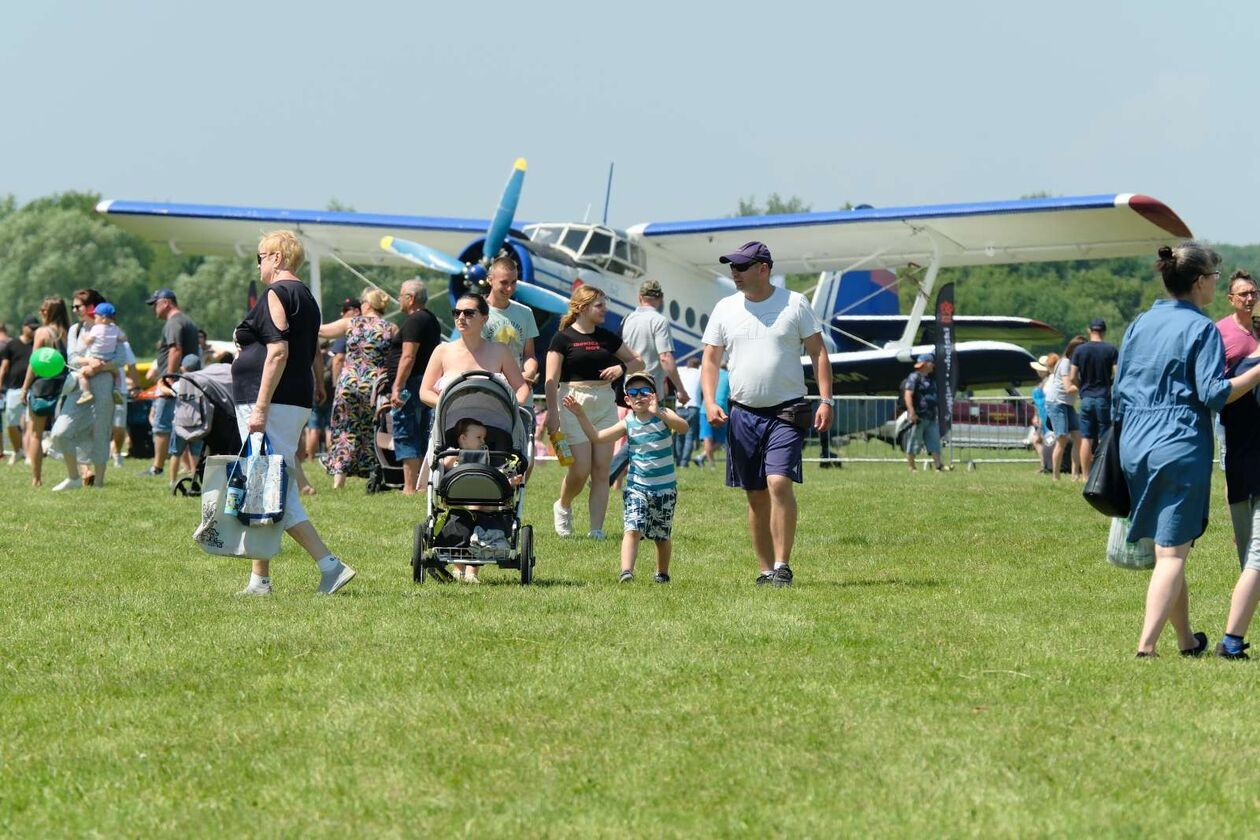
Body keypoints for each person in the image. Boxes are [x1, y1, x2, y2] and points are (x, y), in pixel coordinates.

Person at [1113, 243, 1260, 657]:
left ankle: (1185, 640)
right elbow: (1214, 394)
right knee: (1172, 552)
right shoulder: (1202, 328)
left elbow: (1118, 389)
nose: (1216, 282)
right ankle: (1146, 647)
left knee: (1169, 547)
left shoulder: (1140, 322)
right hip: (1177, 441)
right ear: (1199, 282)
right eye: (1215, 277)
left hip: (1134, 442)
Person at [701, 241, 833, 587]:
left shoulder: (795, 303)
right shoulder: (725, 308)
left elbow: (818, 352)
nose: (735, 273)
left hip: (787, 409)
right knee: (755, 494)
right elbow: (711, 359)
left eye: (741, 267)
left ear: (763, 268)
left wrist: (826, 400)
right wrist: (710, 401)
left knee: (778, 482)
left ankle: (783, 565)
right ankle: (764, 570)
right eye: (732, 267)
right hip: (743, 412)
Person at [234, 230, 354, 596]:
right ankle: (260, 579)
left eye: (260, 256)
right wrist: (317, 381)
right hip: (292, 397)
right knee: (263, 485)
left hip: (270, 400)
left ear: (277, 258)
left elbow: (278, 352)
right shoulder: (307, 297)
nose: (258, 263)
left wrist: (260, 407)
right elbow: (312, 348)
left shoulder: (276, 293)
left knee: (272, 488)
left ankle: (330, 565)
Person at [564, 372, 688, 583]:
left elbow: (684, 427)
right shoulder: (628, 422)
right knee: (632, 528)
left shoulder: (664, 415)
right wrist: (580, 414)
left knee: (661, 535)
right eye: (633, 393)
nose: (639, 396)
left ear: (654, 395)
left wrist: (659, 412)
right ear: (627, 400)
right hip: (637, 486)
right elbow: (597, 437)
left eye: (644, 392)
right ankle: (626, 572)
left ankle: (662, 572)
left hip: (664, 488)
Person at [544, 285, 644, 539]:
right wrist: (552, 414)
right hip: (572, 402)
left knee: (602, 470)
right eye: (599, 306)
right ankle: (563, 505)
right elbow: (551, 379)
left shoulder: (607, 337)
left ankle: (596, 530)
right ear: (583, 308)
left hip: (605, 404)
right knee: (580, 469)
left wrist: (622, 368)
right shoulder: (562, 338)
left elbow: (638, 362)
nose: (604, 310)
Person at [319, 288, 396, 489]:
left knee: (344, 430)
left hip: (349, 384)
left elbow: (321, 330)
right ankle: (375, 477)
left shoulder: (350, 323)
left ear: (367, 304)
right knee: (373, 430)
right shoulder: (392, 328)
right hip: (374, 387)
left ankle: (339, 481)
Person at [47, 289, 119, 491]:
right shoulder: (75, 330)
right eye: (73, 306)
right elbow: (71, 359)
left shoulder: (111, 329)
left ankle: (99, 483)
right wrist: (89, 362)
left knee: (100, 432)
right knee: (60, 432)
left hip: (103, 386)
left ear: (91, 308)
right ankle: (74, 477)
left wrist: (101, 367)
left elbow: (121, 358)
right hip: (78, 386)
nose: (74, 310)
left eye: (77, 306)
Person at [387, 278, 442, 495]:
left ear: (410, 298)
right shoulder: (430, 319)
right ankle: (420, 485)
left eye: (401, 295)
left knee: (405, 430)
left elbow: (408, 356)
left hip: (411, 384)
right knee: (420, 431)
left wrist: (397, 387)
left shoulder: (414, 320)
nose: (399, 300)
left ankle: (409, 486)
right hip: (424, 382)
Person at [140, 288, 200, 478]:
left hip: (173, 382)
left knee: (161, 424)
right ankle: (191, 468)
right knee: (185, 424)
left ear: (166, 303)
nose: (154, 309)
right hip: (188, 381)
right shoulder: (187, 320)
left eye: (155, 304)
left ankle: (157, 467)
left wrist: (168, 377)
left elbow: (175, 350)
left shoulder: (173, 323)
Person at [18, 298, 70, 487]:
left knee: (36, 434)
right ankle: (83, 470)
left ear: (50, 313)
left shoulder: (42, 332)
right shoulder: (70, 332)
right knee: (70, 432)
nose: (40, 312)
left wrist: (24, 388)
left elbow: (35, 362)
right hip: (65, 386)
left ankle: (37, 478)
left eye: (43, 310)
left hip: (43, 387)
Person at [1070, 318, 1119, 475]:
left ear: (1089, 330)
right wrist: (1109, 384)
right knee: (1104, 438)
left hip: (1086, 399)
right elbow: (1117, 375)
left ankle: (1085, 475)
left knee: (1086, 438)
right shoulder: (1111, 350)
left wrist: (1081, 387)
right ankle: (1102, 474)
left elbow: (1072, 377)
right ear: (1104, 331)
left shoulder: (1080, 350)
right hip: (1103, 398)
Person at [482, 256, 541, 385]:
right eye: (504, 282)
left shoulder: (526, 313)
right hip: (489, 390)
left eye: (513, 282)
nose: (509, 288)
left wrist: (530, 372)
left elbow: (529, 355)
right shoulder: (475, 312)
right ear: (490, 280)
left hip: (520, 393)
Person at [1046, 335, 1086, 481]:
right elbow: (1068, 388)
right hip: (1057, 403)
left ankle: (1075, 475)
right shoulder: (1065, 363)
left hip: (1067, 404)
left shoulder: (1074, 364)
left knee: (1079, 439)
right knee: (1062, 439)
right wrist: (1086, 388)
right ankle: (1055, 477)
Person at [73, 302, 125, 405]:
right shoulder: (116, 329)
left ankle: (86, 392)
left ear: (104, 318)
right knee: (117, 374)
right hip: (110, 359)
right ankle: (117, 390)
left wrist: (84, 337)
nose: (94, 319)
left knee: (82, 373)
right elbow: (124, 338)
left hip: (95, 359)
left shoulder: (96, 329)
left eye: (96, 317)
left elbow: (88, 342)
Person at [901, 353, 946, 472]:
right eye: (931, 363)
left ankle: (939, 466)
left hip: (931, 416)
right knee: (914, 442)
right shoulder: (914, 377)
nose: (933, 365)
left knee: (934, 441)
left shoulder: (931, 379)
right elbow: (908, 395)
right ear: (926, 364)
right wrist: (912, 413)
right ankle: (911, 467)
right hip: (918, 416)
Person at [1, 317, 36, 465]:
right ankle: (17, 451)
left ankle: (29, 455)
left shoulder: (37, 344)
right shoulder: (12, 345)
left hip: (33, 388)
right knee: (11, 423)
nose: (34, 331)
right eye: (31, 328)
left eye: (36, 328)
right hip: (14, 389)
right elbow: (4, 367)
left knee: (30, 423)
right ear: (24, 327)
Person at [696, 362, 730, 467]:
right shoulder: (729, 375)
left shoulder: (709, 373)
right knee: (720, 440)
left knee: (707, 437)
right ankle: (707, 460)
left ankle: (707, 460)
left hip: (705, 408)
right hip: (723, 410)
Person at [674, 355, 702, 466]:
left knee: (679, 435)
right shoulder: (699, 373)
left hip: (679, 406)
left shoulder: (681, 371)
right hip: (693, 406)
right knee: (689, 436)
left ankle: (678, 460)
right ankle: (684, 462)